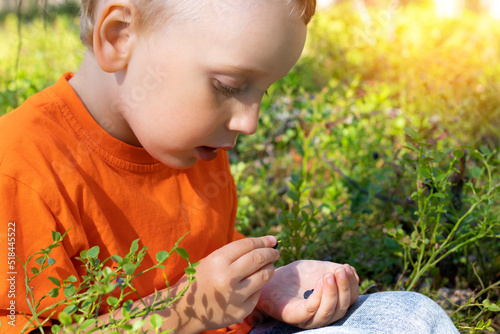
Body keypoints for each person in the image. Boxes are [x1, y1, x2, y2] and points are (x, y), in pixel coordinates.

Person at [0, 0, 459, 333]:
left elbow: (205, 273)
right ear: (118, 36)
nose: (250, 121)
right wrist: (185, 311)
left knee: (408, 316)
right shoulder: (20, 167)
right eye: (228, 85)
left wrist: (261, 291)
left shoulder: (190, 143)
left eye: (263, 91)